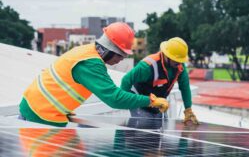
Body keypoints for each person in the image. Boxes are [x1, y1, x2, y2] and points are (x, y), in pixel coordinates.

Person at [19, 22, 169, 127]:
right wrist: (150, 101)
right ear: (110, 49)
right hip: (39, 114)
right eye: (121, 54)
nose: (122, 59)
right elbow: (114, 98)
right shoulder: (90, 64)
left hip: (41, 109)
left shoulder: (87, 51)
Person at [121, 37, 199, 124]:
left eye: (181, 61)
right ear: (167, 56)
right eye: (177, 61)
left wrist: (188, 109)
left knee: (161, 129)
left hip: (159, 104)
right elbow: (126, 80)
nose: (179, 64)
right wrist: (124, 102)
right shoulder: (148, 66)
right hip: (140, 103)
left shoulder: (179, 67)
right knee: (146, 128)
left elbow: (185, 87)